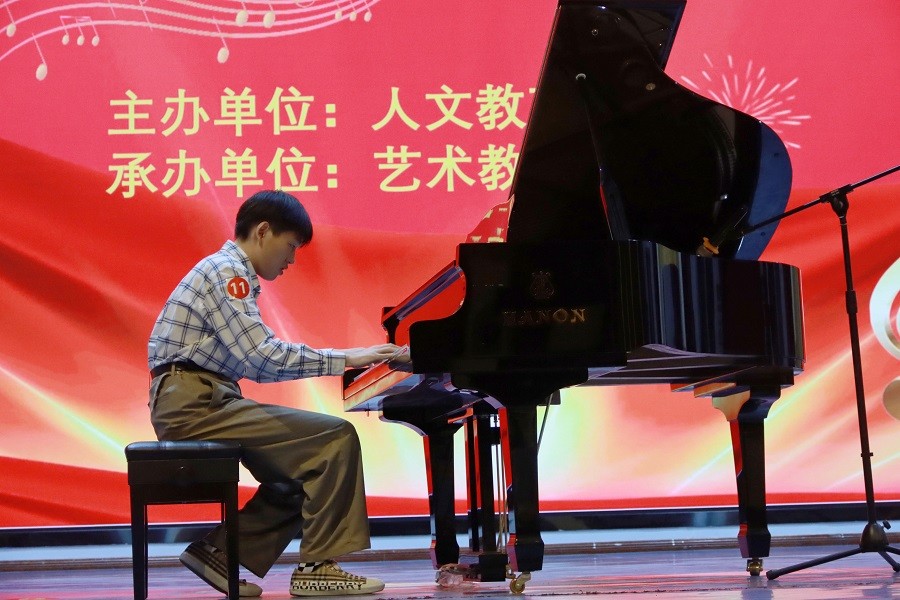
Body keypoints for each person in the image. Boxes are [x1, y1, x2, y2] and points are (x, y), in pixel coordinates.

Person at [147, 189, 408, 597]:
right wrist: (350, 357)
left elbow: (255, 361)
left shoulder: (229, 273)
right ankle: (318, 568)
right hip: (194, 404)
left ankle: (218, 553)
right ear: (263, 231)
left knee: (300, 471)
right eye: (291, 246)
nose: (292, 260)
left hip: (201, 399)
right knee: (334, 438)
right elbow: (262, 358)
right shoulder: (227, 273)